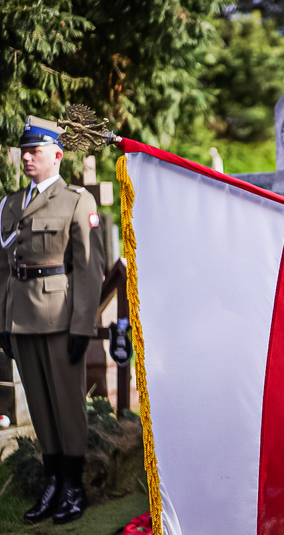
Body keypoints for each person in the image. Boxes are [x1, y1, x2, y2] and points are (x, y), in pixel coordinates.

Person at [0, 116, 105, 524]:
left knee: (66, 405)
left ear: (57, 155)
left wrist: (83, 327)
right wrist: (3, 321)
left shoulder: (77, 201)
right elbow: (4, 268)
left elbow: (89, 268)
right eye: (24, 151)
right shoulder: (9, 203)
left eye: (35, 150)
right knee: (42, 407)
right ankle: (53, 482)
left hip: (60, 319)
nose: (27, 157)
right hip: (21, 319)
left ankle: (74, 484)